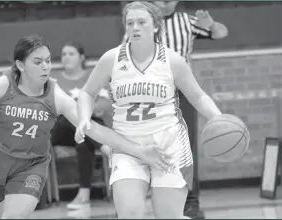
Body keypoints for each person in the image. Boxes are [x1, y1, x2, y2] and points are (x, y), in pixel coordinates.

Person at [0, 35, 173, 219]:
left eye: (48, 60)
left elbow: (94, 129)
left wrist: (139, 150)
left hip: (30, 164)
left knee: (13, 217)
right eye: (37, 62)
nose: (46, 66)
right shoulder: (3, 85)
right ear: (20, 65)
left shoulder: (56, 95)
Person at [75, 2, 224, 219]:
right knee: (130, 213)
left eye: (141, 22)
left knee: (169, 216)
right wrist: (83, 118)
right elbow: (87, 93)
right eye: (130, 23)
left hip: (168, 147)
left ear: (155, 26)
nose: (135, 27)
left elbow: (198, 96)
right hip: (128, 148)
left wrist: (219, 118)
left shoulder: (173, 60)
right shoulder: (111, 59)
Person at [153, 1, 228, 218]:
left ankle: (191, 203)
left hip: (183, 93)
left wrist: (212, 26)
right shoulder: (143, 22)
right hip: (152, 96)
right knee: (157, 147)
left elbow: (222, 33)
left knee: (186, 146)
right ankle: (159, 200)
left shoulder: (187, 21)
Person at [50, 41, 111, 209]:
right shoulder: (54, 80)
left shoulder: (93, 77)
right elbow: (54, 109)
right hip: (60, 130)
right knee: (69, 117)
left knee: (83, 140)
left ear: (81, 57)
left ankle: (84, 195)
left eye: (71, 54)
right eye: (63, 54)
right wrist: (84, 109)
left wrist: (79, 110)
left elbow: (104, 105)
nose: (66, 58)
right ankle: (106, 148)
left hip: (82, 130)